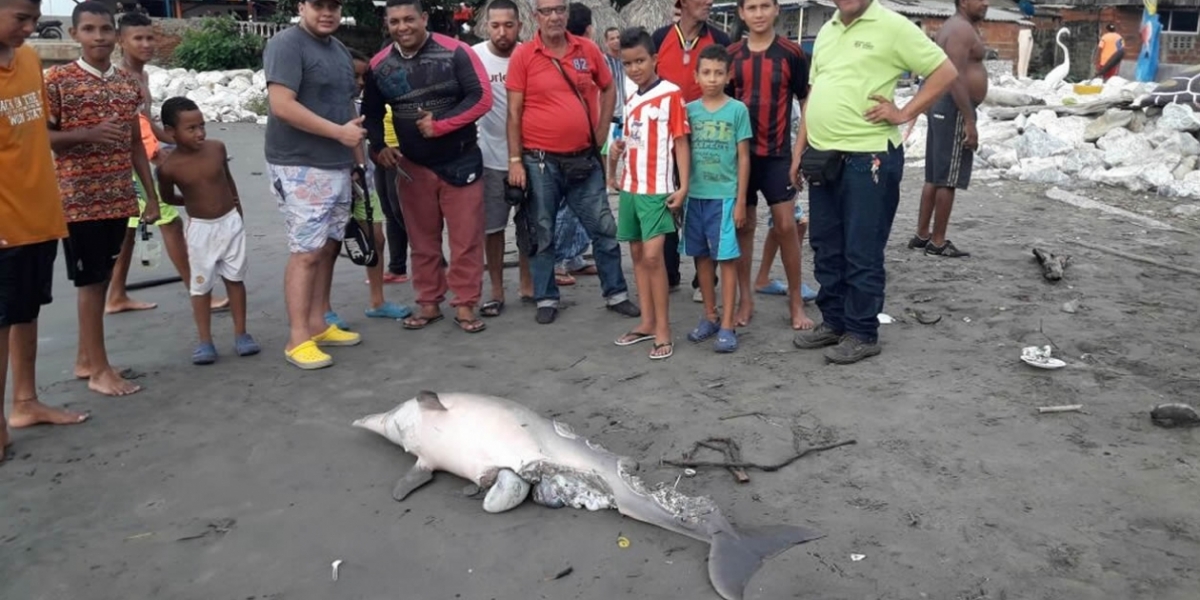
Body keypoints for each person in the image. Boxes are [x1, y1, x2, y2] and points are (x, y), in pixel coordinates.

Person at [790, 0, 956, 364]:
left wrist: (904, 112)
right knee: (825, 244)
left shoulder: (892, 26)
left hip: (870, 159)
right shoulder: (829, 31)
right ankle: (834, 322)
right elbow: (815, 94)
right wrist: (799, 149)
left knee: (861, 248)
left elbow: (944, 71)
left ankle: (862, 331)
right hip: (823, 157)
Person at [46, 1, 161, 396]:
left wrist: (151, 196)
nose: (98, 37)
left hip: (118, 196)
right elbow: (44, 138)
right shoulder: (57, 81)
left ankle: (86, 359)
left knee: (102, 278)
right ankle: (99, 370)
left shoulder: (127, 83)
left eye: (105, 29)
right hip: (78, 199)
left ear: (115, 35)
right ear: (74, 34)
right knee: (90, 285)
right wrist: (88, 135)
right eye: (90, 29)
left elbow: (134, 144)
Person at [362, 0, 493, 333]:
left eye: (409, 19)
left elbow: (480, 97)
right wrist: (379, 148)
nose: (402, 27)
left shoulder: (456, 52)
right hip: (412, 166)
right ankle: (429, 303)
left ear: (424, 18)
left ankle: (465, 305)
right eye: (395, 22)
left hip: (460, 160)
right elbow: (372, 114)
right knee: (422, 241)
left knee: (465, 240)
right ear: (387, 24)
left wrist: (442, 124)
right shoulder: (379, 66)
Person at [506, 0, 639, 325]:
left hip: (583, 158)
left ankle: (616, 293)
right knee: (543, 231)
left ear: (567, 13)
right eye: (547, 11)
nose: (554, 16)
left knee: (604, 229)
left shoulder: (587, 50)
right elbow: (513, 112)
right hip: (539, 162)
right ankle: (546, 297)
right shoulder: (524, 55)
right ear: (536, 16)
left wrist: (603, 128)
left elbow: (608, 88)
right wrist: (514, 160)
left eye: (559, 10)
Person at [0, 0, 91, 459]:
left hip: (39, 211)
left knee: (25, 312)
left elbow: (35, 134)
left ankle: (25, 401)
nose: (32, 27)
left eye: (34, 17)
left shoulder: (30, 59)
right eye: (21, 17)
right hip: (4, 220)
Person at [263, 0, 365, 370]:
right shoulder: (286, 45)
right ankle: (297, 337)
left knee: (328, 247)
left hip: (338, 163)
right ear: (301, 6)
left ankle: (319, 323)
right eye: (318, 5)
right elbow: (281, 105)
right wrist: (339, 134)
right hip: (299, 163)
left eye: (334, 5)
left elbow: (347, 106)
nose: (327, 13)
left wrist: (358, 162)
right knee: (305, 251)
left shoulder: (337, 50)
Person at [106, 11, 229, 316]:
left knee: (129, 230)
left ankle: (116, 296)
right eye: (138, 38)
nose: (146, 44)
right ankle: (198, 292)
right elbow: (136, 129)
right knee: (170, 223)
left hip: (135, 161)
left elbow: (148, 123)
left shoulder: (142, 76)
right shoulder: (121, 78)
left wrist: (179, 144)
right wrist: (157, 155)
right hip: (131, 164)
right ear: (122, 41)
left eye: (150, 37)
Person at [727, 0, 813, 331]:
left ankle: (795, 301)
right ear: (742, 13)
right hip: (742, 158)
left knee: (787, 226)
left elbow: (806, 102)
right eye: (752, 7)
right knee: (744, 227)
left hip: (779, 154)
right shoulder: (732, 54)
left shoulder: (792, 53)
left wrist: (800, 152)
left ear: (777, 9)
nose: (759, 13)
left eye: (766, 5)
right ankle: (746, 300)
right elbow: (724, 105)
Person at [155, 97, 260, 364]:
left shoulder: (217, 148)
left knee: (235, 279)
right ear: (170, 132)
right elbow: (167, 198)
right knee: (200, 286)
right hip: (201, 229)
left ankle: (242, 334)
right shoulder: (168, 167)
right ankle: (205, 341)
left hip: (230, 223)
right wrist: (190, 202)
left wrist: (238, 210)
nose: (200, 133)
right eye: (191, 129)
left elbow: (228, 180)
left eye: (202, 126)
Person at [608, 27, 690, 360]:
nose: (635, 68)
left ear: (655, 59)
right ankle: (646, 322)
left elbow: (681, 142)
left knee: (655, 257)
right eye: (628, 64)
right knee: (639, 256)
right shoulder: (630, 99)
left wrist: (683, 186)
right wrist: (616, 155)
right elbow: (630, 141)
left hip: (657, 190)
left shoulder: (671, 93)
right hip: (630, 187)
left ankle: (664, 330)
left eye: (640, 61)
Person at [651, 0, 731, 299]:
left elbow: (729, 92)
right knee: (667, 205)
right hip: (666, 141)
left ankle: (704, 280)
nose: (709, 1)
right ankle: (670, 274)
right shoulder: (660, 38)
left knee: (705, 209)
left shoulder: (721, 40)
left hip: (707, 142)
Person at [327, 49, 412, 323]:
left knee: (375, 238)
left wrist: (361, 169)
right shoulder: (323, 106)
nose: (361, 82)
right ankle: (323, 309)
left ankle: (377, 301)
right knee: (327, 246)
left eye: (364, 76)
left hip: (360, 179)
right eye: (355, 76)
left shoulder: (354, 104)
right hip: (331, 180)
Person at [682, 44, 750, 353]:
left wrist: (739, 201)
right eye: (706, 72)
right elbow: (680, 153)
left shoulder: (737, 110)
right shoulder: (689, 111)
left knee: (726, 260)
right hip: (695, 197)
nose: (712, 79)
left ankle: (728, 324)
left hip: (724, 198)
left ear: (728, 75)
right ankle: (709, 316)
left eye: (718, 73)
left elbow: (744, 158)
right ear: (696, 76)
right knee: (701, 258)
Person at [908, 0, 988, 259]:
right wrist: (969, 120)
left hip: (943, 105)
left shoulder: (957, 26)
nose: (986, 3)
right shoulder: (960, 30)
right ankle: (938, 241)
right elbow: (954, 76)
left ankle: (922, 235)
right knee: (948, 178)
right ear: (963, 2)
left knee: (935, 174)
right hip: (953, 107)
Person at [472, 0, 532, 317]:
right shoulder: (474, 57)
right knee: (492, 228)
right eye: (495, 25)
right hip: (488, 157)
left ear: (519, 26)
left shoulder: (530, 55)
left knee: (529, 225)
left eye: (508, 25)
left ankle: (527, 284)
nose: (502, 32)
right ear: (486, 27)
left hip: (530, 155)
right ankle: (495, 290)